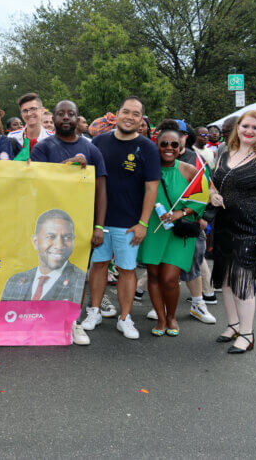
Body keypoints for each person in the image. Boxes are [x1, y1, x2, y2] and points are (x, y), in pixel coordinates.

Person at [29, 100, 108, 345]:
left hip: (81, 224)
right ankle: (43, 321)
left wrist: (98, 226)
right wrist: (65, 170)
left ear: (77, 118)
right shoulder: (42, 148)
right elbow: (36, 184)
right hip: (48, 224)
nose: (66, 118)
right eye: (61, 114)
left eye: (71, 114)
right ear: (53, 118)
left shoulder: (91, 149)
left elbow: (101, 190)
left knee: (76, 273)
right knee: (47, 271)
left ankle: (72, 322)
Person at [81, 96, 160, 340]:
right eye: (126, 111)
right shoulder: (99, 142)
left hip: (129, 224)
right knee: (99, 266)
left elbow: (151, 188)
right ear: (117, 113)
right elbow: (87, 177)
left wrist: (143, 223)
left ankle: (125, 318)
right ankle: (93, 311)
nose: (130, 116)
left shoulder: (147, 147)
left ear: (141, 119)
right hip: (99, 222)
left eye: (136, 114)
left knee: (127, 270)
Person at [209, 110, 256, 353]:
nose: (249, 131)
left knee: (242, 281)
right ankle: (233, 325)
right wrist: (213, 195)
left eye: (255, 128)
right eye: (245, 126)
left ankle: (247, 334)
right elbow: (213, 181)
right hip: (224, 226)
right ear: (238, 127)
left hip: (251, 229)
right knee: (227, 280)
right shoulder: (225, 153)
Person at [136, 127, 205, 336]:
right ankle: (161, 318)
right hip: (153, 230)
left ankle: (172, 316)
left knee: (169, 278)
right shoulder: (148, 169)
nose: (168, 148)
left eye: (174, 144)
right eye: (164, 144)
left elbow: (202, 198)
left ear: (180, 147)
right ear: (157, 145)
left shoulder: (189, 171)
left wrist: (181, 212)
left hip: (177, 232)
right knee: (154, 275)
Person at [1, 210, 86, 303]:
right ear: (35, 242)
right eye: (51, 236)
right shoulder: (14, 282)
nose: (59, 245)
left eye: (67, 237)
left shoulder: (81, 282)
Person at [8, 93, 52, 157]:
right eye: (25, 111)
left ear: (42, 111)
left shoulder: (53, 138)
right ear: (21, 114)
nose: (29, 114)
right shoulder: (12, 137)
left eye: (33, 109)